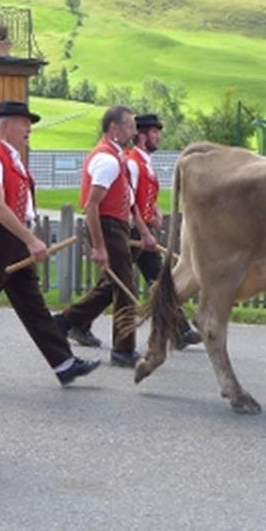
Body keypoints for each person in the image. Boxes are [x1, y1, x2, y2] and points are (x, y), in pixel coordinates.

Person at [0, 100, 101, 391]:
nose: (29, 128)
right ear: (5, 126)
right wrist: (31, 239)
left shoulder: (13, 159)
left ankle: (63, 363)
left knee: (33, 303)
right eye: (23, 122)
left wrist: (26, 235)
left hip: (14, 237)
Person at [53, 106, 156, 367]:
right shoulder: (107, 159)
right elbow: (91, 205)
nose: (134, 132)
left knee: (112, 285)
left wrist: (144, 232)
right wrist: (98, 246)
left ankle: (64, 322)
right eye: (130, 126)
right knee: (124, 287)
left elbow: (129, 200)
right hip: (107, 225)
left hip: (117, 225)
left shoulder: (117, 157)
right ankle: (123, 349)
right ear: (114, 129)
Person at [126, 113, 202, 349]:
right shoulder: (132, 162)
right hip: (133, 231)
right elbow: (129, 201)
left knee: (159, 279)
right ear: (141, 135)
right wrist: (144, 230)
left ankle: (179, 330)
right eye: (154, 132)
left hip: (144, 228)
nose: (158, 136)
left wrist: (155, 210)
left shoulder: (144, 161)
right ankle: (71, 322)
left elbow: (142, 195)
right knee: (111, 284)